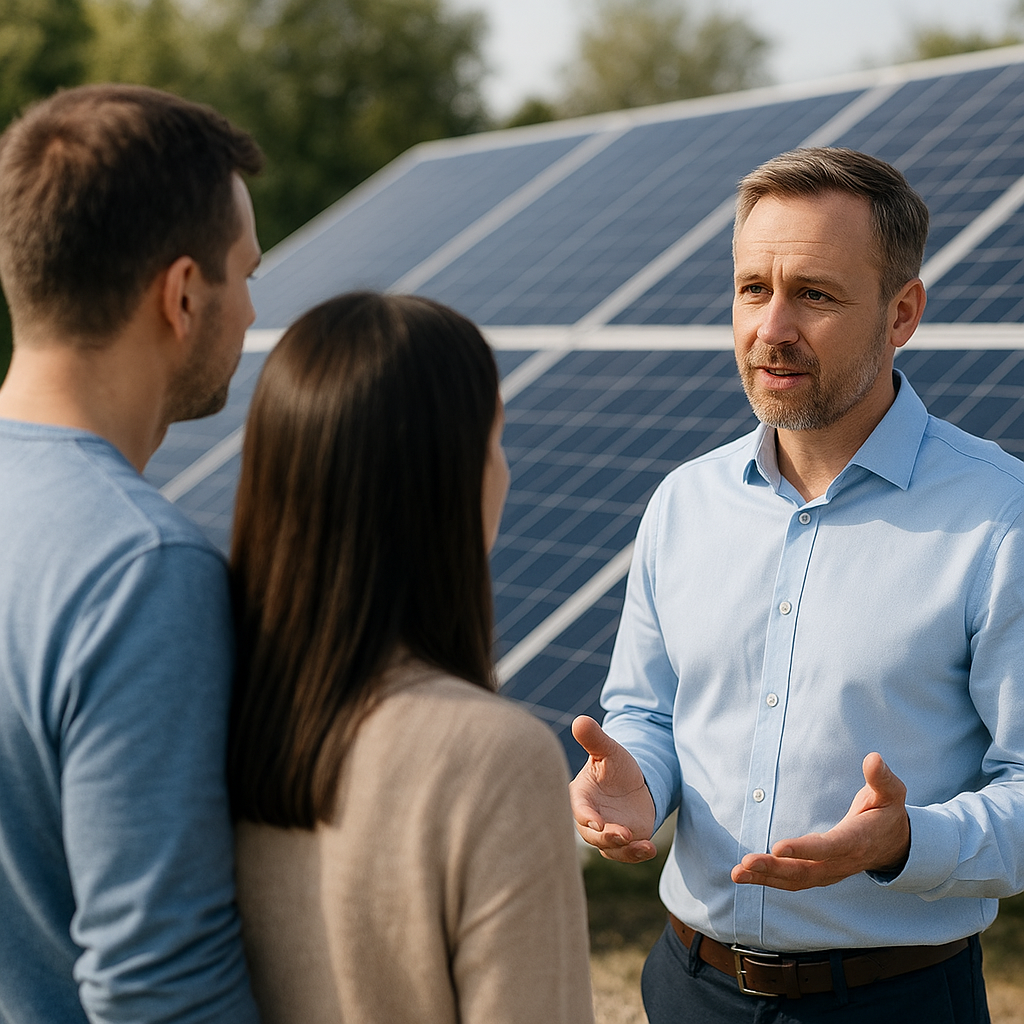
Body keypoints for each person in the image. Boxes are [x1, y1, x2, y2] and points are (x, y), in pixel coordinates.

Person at [570, 147, 1024, 1023]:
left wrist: (906, 842)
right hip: (685, 988)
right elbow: (648, 715)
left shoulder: (1000, 520)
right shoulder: (683, 504)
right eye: (752, 289)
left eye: (814, 294)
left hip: (897, 1004)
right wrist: (640, 785)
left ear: (903, 314)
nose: (771, 327)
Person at [228, 291, 595, 1024]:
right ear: (445, 476)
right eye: (495, 440)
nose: (507, 472)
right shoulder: (493, 759)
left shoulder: (207, 708)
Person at [0, 85, 262, 1022]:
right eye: (245, 274)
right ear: (183, 295)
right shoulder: (139, 571)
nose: (251, 312)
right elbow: (161, 989)